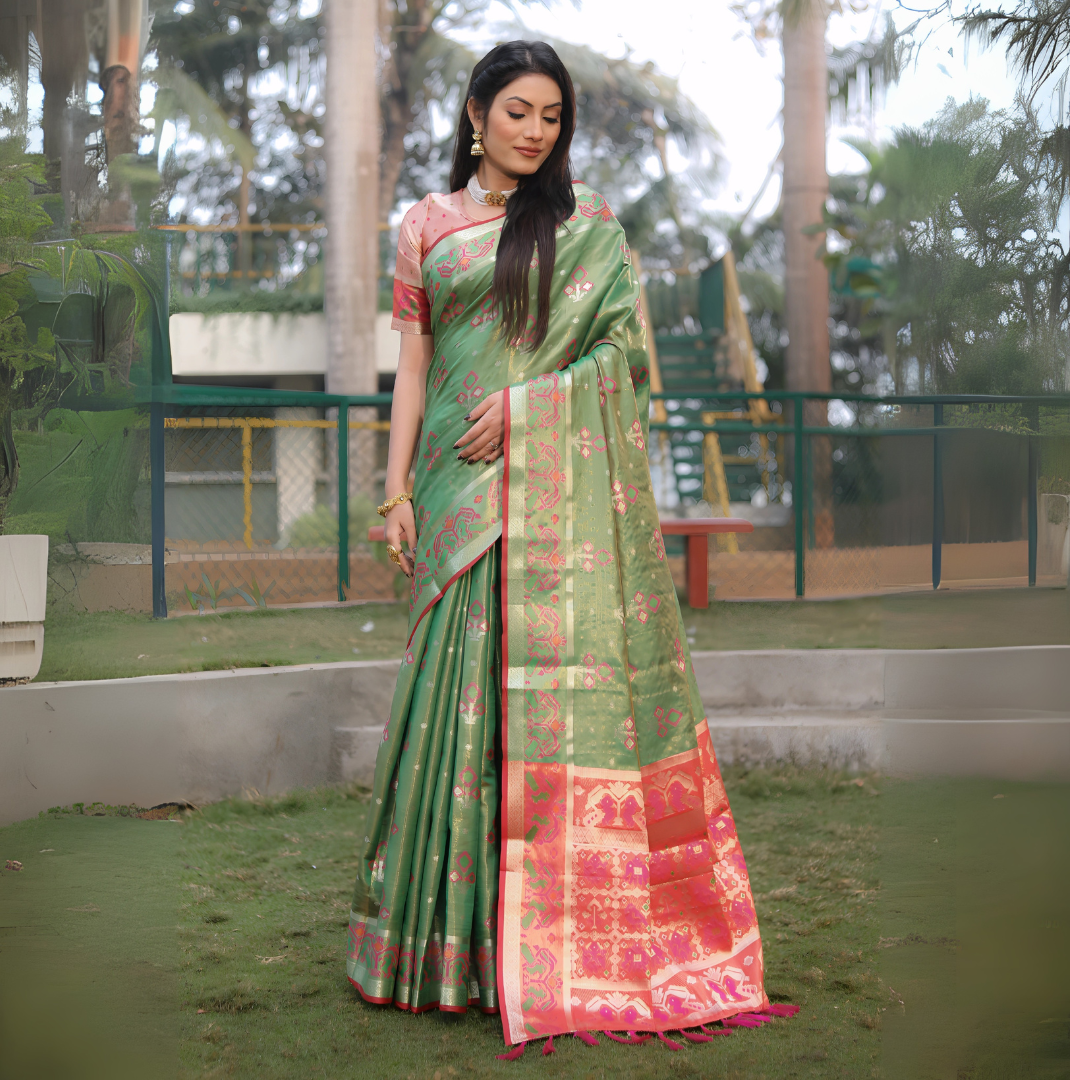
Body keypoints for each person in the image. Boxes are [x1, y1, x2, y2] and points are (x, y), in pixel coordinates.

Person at [347, 40, 781, 1052]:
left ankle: (554, 946)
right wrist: (396, 488)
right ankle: (438, 951)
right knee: (447, 705)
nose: (536, 131)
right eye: (518, 113)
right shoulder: (425, 227)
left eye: (552, 117)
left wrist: (531, 405)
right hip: (456, 497)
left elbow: (622, 357)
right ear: (475, 113)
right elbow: (411, 367)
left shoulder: (587, 232)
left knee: (540, 706)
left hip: (547, 498)